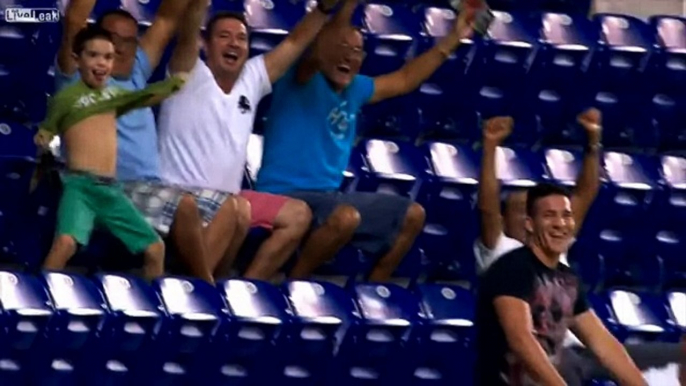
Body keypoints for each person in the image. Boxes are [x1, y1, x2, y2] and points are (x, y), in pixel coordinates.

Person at [253, 0, 480, 281]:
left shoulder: (357, 88)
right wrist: (348, 5)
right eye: (342, 49)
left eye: (356, 51)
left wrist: (453, 38)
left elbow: (405, 79)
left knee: (412, 214)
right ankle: (295, 284)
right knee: (346, 217)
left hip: (327, 197)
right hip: (283, 194)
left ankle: (373, 290)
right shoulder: (301, 76)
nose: (347, 56)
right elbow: (325, 44)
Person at [156, 0, 347, 280]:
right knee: (236, 211)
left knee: (297, 215)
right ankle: (198, 289)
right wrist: (199, 5)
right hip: (180, 197)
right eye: (224, 36)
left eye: (241, 38)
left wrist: (322, 10)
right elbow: (188, 30)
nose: (234, 43)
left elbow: (294, 43)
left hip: (229, 200)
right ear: (205, 44)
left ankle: (246, 288)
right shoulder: (187, 71)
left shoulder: (253, 77)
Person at [55, 0, 236, 282]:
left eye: (130, 40)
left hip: (153, 185)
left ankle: (187, 288)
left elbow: (166, 19)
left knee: (233, 208)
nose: (123, 47)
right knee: (185, 205)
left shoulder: (137, 68)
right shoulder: (78, 77)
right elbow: (75, 20)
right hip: (112, 187)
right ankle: (206, 289)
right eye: (114, 39)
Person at [35, 27, 187, 280]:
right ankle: (40, 300)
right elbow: (47, 128)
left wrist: (173, 85)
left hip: (111, 190)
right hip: (80, 188)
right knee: (65, 244)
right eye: (93, 55)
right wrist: (43, 139)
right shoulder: (65, 98)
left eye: (107, 57)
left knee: (155, 248)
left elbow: (143, 97)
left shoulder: (115, 95)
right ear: (77, 59)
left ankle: (154, 310)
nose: (101, 63)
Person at [475, 183, 648, 386]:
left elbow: (602, 342)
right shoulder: (512, 269)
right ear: (530, 224)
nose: (560, 224)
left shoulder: (567, 278)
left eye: (566, 216)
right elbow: (521, 341)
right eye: (549, 216)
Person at [475, 109, 602, 273]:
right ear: (503, 221)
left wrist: (593, 141)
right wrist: (490, 145)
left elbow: (585, 194)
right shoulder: (500, 249)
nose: (530, 219)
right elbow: (487, 207)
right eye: (522, 211)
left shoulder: (556, 246)